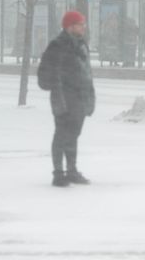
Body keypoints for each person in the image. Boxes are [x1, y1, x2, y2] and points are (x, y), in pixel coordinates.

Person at [38, 11, 95, 187]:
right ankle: (58, 173)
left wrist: (89, 96)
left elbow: (86, 73)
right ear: (70, 26)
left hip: (79, 98)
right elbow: (46, 74)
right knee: (62, 134)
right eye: (80, 24)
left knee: (73, 135)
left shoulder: (81, 45)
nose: (83, 27)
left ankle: (71, 170)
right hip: (64, 97)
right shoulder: (58, 45)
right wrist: (59, 92)